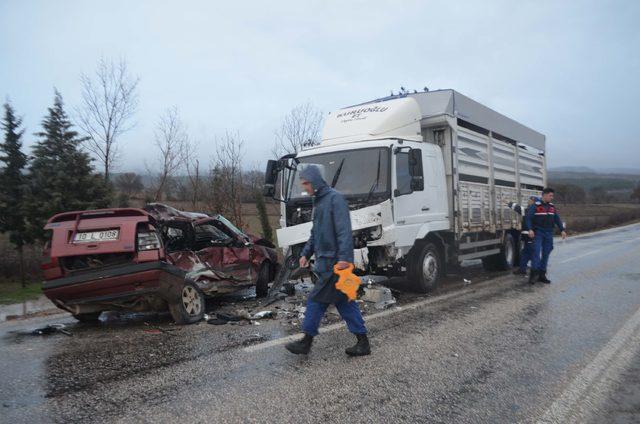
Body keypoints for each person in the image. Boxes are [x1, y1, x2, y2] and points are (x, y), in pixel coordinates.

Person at [284, 164, 370, 356]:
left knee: (315, 300)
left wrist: (345, 259)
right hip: (324, 263)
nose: (304, 187)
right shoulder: (319, 202)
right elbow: (315, 233)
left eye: (306, 183)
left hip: (334, 265)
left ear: (314, 181)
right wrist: (305, 253)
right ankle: (363, 342)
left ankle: (306, 341)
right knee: (345, 302)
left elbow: (344, 231)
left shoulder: (335, 199)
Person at [525, 188, 567, 284]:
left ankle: (542, 275)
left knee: (546, 254)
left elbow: (557, 219)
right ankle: (533, 275)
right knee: (536, 253)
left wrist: (562, 230)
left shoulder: (552, 207)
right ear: (544, 195)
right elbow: (528, 218)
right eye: (550, 196)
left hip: (548, 233)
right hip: (538, 232)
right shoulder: (535, 206)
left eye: (552, 196)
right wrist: (530, 229)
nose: (552, 198)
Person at [508, 196, 538, 276]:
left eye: (530, 200)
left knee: (531, 253)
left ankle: (536, 270)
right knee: (525, 253)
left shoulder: (530, 210)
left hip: (530, 236)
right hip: (528, 236)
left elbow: (519, 209)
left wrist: (508, 203)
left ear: (533, 201)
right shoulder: (535, 210)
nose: (528, 201)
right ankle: (523, 269)